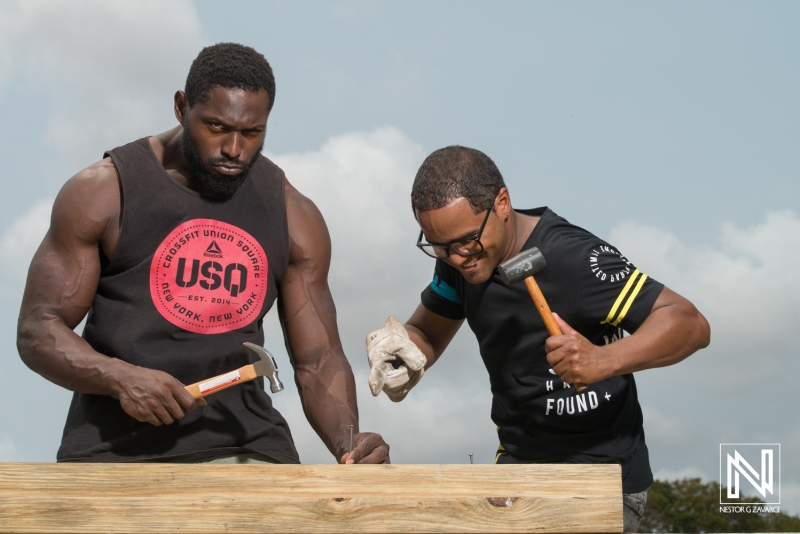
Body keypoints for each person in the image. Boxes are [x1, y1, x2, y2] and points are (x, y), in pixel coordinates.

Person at [17, 42, 389, 465]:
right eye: (216, 127)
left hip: (246, 447)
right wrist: (121, 378)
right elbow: (37, 329)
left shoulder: (292, 213)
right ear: (181, 106)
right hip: (111, 453)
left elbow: (317, 357)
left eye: (252, 133)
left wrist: (349, 442)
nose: (234, 149)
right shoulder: (103, 192)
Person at [365, 146, 710, 530]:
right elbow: (428, 332)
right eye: (439, 247)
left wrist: (603, 361)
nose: (457, 258)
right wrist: (401, 349)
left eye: (465, 241)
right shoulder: (457, 262)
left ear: (502, 203)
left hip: (602, 473)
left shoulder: (578, 259)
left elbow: (690, 323)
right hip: (517, 465)